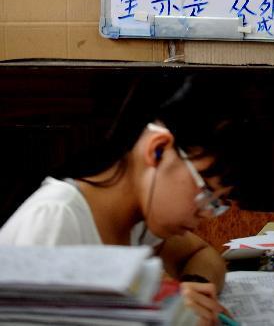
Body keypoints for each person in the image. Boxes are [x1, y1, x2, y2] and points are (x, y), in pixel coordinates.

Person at [0, 76, 241, 325]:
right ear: (157, 150)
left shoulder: (136, 221)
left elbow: (202, 254)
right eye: (205, 194)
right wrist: (165, 309)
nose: (204, 215)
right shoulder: (57, 219)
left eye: (216, 203)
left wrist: (193, 291)